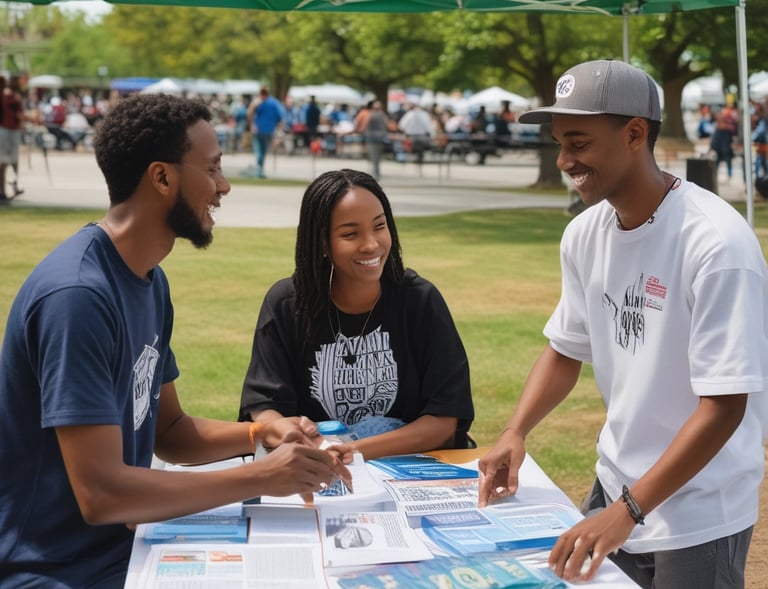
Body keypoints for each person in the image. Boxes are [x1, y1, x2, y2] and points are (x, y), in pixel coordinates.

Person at [0, 94, 350, 588]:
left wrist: (261, 436)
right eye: (212, 168)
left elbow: (171, 431)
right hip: (57, 570)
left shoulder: (148, 280)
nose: (224, 186)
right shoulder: (77, 296)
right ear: (162, 178)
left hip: (130, 547)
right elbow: (103, 495)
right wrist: (261, 477)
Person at [477, 60, 767, 588]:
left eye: (579, 142)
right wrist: (515, 431)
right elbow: (566, 349)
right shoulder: (585, 233)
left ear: (635, 133)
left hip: (699, 510)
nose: (565, 159)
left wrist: (628, 512)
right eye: (561, 143)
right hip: (616, 487)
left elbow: (725, 407)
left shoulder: (717, 244)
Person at [238, 168, 474, 463]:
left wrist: (352, 452)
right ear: (322, 243)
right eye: (350, 234)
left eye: (379, 226)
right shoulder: (287, 303)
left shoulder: (419, 300)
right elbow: (264, 407)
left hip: (402, 466)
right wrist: (296, 437)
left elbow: (444, 420)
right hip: (311, 466)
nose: (371, 244)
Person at [250, 87, 282, 178]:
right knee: (263, 150)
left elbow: (250, 114)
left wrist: (251, 125)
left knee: (258, 150)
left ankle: (259, 169)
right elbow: (279, 117)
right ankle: (260, 169)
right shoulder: (274, 103)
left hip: (258, 129)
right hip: (269, 130)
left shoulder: (257, 102)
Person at [363, 100, 389, 180]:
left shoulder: (370, 114)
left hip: (371, 137)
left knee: (373, 155)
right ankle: (377, 172)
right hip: (380, 137)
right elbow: (386, 125)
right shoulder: (383, 115)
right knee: (378, 156)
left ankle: (374, 173)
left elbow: (364, 125)